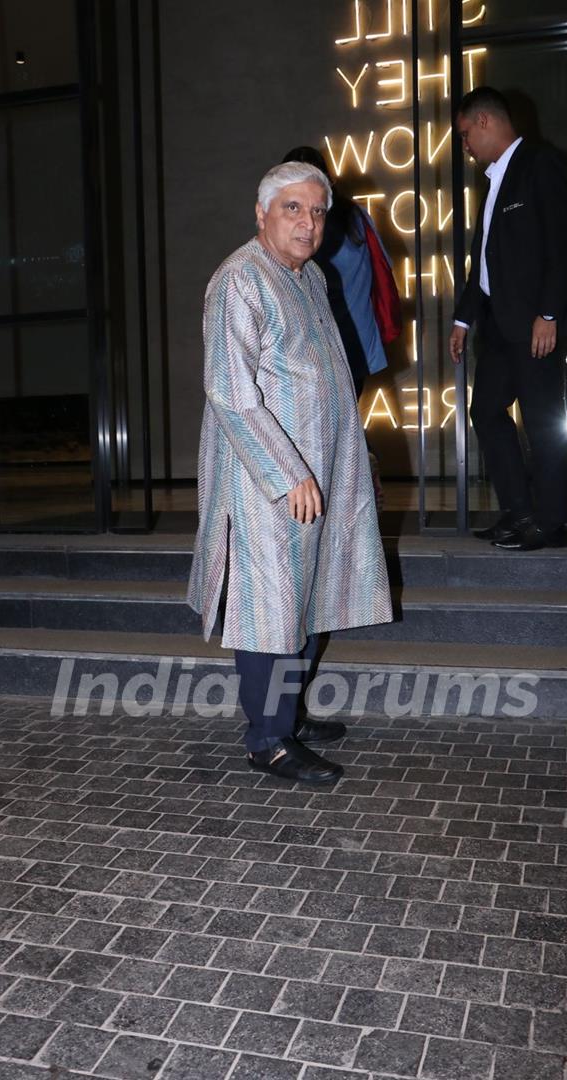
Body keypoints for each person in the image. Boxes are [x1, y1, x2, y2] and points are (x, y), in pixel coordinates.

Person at [187, 161, 392, 783]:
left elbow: (328, 382)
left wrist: (356, 461)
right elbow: (231, 393)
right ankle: (267, 739)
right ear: (262, 214)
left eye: (317, 211)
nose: (308, 224)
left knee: (302, 603)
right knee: (269, 609)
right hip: (265, 484)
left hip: (319, 475)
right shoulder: (240, 281)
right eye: (292, 209)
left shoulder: (309, 277)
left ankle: (289, 717)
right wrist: (287, 474)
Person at [448, 86, 567, 551]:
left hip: (534, 324)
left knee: (542, 420)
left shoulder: (541, 164)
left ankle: (551, 522)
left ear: (484, 122)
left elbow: (562, 246)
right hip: (499, 327)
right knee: (484, 411)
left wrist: (549, 313)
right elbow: (481, 262)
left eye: (465, 134)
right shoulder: (494, 181)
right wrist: (463, 320)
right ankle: (520, 511)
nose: (464, 146)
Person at [282, 145, 391, 399]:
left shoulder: (304, 230)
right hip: (357, 344)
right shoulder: (357, 216)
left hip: (318, 350)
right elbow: (381, 266)